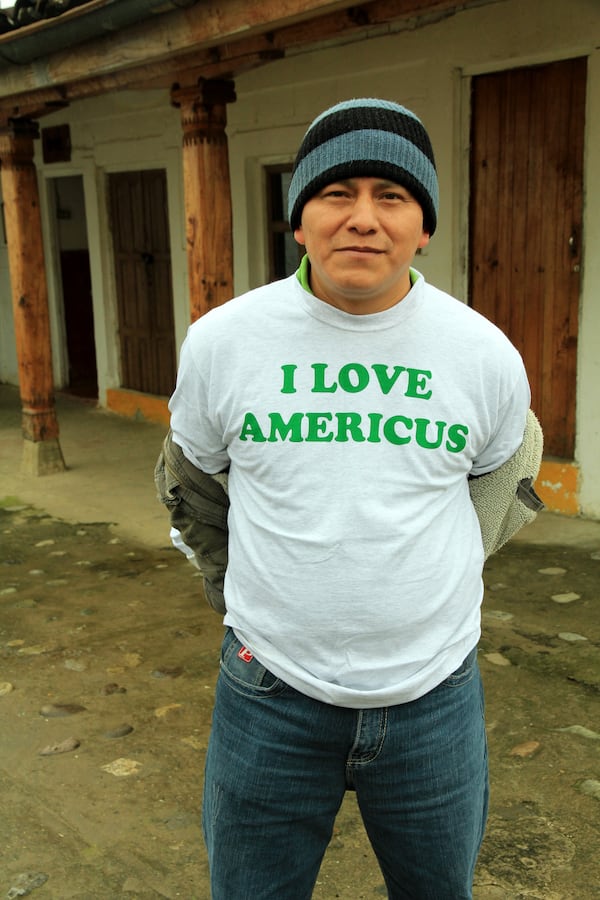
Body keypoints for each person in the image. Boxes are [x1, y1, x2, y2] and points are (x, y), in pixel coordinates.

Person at [156, 98, 543, 899]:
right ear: (299, 219)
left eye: (391, 196)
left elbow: (503, 486)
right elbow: (192, 484)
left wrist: (421, 582)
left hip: (435, 698)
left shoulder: (483, 355)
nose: (362, 219)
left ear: (423, 226)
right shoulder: (225, 342)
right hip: (269, 695)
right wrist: (240, 590)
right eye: (337, 193)